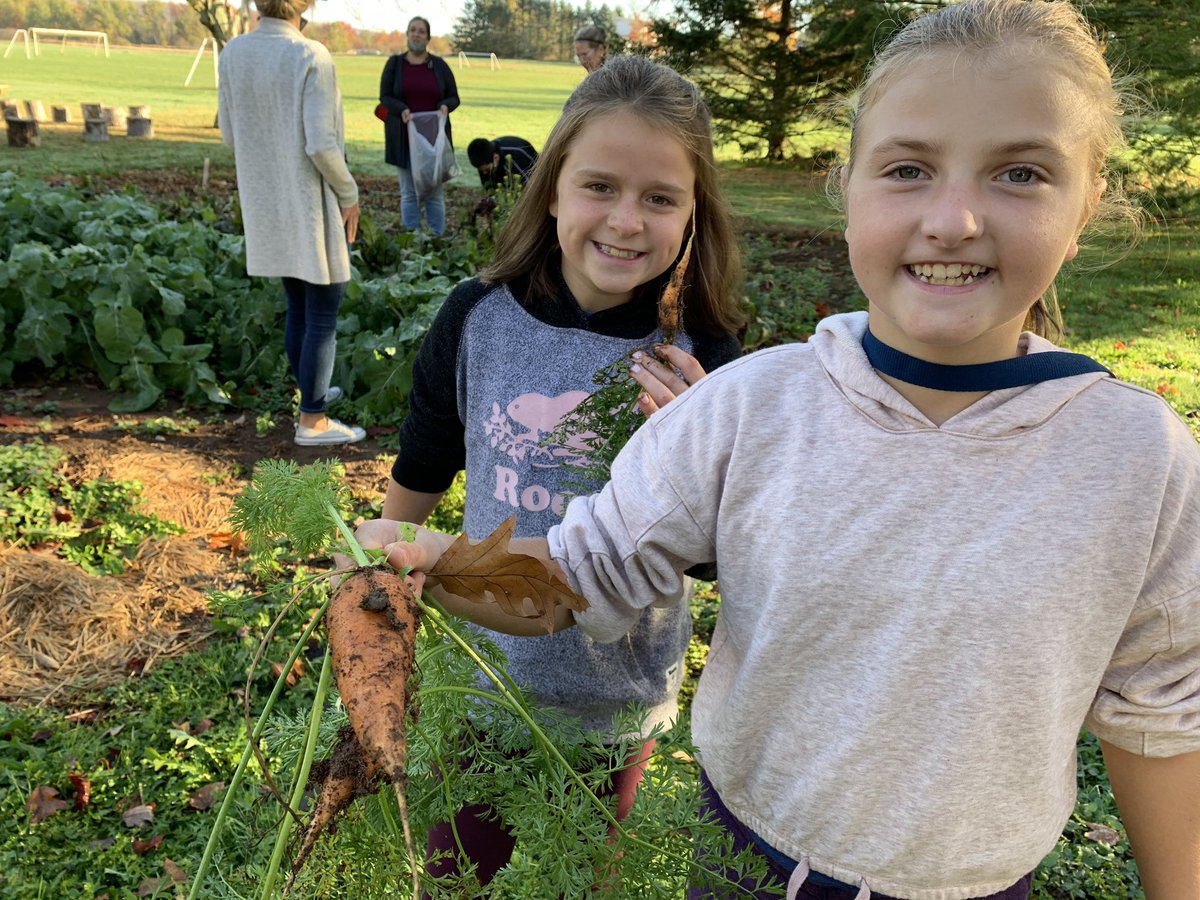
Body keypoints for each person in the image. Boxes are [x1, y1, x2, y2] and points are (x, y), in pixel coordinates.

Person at [364, 2, 1200, 898]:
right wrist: (431, 560)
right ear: (847, 190)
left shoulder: (1136, 457)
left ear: (1090, 202)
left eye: (1022, 173)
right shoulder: (747, 404)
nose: (954, 219)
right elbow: (582, 572)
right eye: (909, 168)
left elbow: (1162, 711)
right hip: (745, 867)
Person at [364, 55, 745, 892]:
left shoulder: (705, 360)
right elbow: (426, 458)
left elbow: (718, 556)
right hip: (481, 668)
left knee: (582, 872)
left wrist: (700, 439)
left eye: (660, 199)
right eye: (599, 187)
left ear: (693, 214)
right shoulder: (479, 317)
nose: (625, 221)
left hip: (613, 683)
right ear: (553, 188)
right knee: (454, 869)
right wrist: (376, 570)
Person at [217, 0, 365, 447]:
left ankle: (311, 391)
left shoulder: (232, 52)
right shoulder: (310, 54)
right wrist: (350, 192)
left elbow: (228, 131)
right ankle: (313, 420)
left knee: (298, 305)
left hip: (266, 201)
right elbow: (321, 144)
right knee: (323, 309)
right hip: (309, 200)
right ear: (306, 6)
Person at [379, 16, 460, 236]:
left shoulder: (439, 66)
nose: (416, 34)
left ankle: (437, 240)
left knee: (434, 194)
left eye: (421, 31)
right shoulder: (395, 65)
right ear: (407, 34)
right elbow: (385, 97)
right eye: (412, 30)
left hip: (433, 140)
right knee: (409, 193)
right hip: (404, 138)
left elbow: (454, 98)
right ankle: (411, 241)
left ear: (428, 37)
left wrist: (445, 106)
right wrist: (401, 109)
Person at [466, 135, 538, 192]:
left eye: (487, 170)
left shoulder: (517, 154)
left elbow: (530, 188)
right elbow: (489, 190)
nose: (484, 173)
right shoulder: (483, 158)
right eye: (482, 171)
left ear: (496, 158)